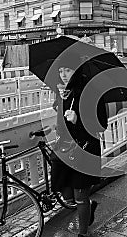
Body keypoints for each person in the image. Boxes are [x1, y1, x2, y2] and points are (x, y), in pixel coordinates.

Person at [52, 58, 107, 237]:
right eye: (61, 71)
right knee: (65, 192)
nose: (63, 75)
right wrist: (60, 102)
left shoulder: (91, 92)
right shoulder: (63, 91)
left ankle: (83, 232)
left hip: (85, 148)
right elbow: (60, 117)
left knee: (80, 196)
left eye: (68, 70)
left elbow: (101, 124)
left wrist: (79, 120)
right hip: (65, 148)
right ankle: (89, 207)